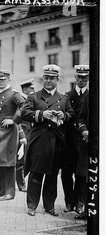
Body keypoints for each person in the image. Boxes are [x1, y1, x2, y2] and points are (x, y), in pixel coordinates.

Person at [21, 65, 75, 217]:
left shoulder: (64, 98)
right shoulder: (34, 97)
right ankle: (31, 205)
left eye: (52, 78)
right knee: (36, 174)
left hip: (56, 142)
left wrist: (63, 115)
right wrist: (41, 114)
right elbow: (24, 113)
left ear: (58, 80)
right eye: (46, 78)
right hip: (40, 141)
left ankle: (49, 206)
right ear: (42, 79)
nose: (48, 81)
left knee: (52, 175)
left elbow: (71, 115)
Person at [0, 70, 25, 201]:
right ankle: (2, 189)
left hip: (9, 132)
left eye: (3, 79)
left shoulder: (14, 94)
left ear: (9, 79)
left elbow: (24, 105)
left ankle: (10, 192)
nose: (1, 82)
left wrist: (14, 119)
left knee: (9, 162)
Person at [61, 65, 89, 215]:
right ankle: (68, 202)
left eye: (84, 77)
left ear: (88, 79)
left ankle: (80, 203)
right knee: (66, 173)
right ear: (75, 78)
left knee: (80, 175)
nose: (81, 80)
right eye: (79, 77)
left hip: (83, 143)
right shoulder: (67, 96)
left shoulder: (91, 97)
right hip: (68, 141)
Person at [15, 78, 35, 192]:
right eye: (31, 88)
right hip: (23, 131)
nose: (33, 90)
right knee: (21, 159)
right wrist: (21, 134)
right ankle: (21, 184)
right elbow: (17, 118)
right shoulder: (22, 100)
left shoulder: (29, 99)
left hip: (31, 131)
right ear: (25, 89)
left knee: (28, 158)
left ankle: (21, 181)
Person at [77, 81, 90, 220]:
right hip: (89, 144)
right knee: (87, 178)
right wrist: (84, 130)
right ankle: (87, 211)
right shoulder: (89, 96)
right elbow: (81, 117)